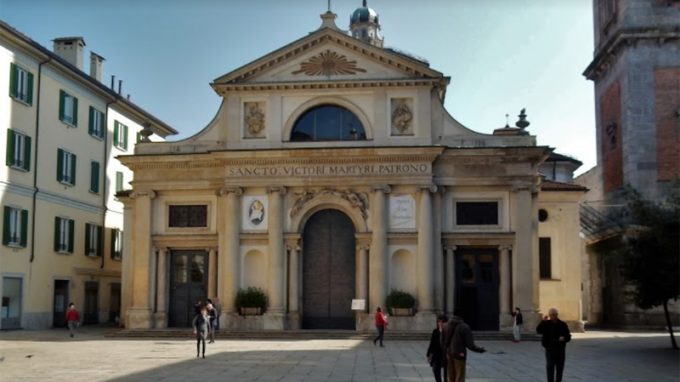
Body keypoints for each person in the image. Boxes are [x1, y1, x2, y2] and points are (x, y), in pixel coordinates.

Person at [442, 309, 486, 382]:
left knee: (450, 377)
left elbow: (441, 341)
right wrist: (480, 350)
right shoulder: (464, 327)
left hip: (448, 354)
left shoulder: (445, 326)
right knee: (460, 377)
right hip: (459, 355)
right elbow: (470, 345)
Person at [536, 308, 571, 382]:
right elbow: (538, 330)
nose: (553, 316)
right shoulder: (546, 324)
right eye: (551, 315)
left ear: (557, 315)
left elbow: (568, 336)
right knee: (550, 367)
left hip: (560, 350)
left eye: (554, 315)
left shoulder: (562, 324)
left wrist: (564, 338)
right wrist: (542, 321)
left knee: (560, 368)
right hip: (550, 349)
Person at [427, 315, 448, 382]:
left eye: (442, 322)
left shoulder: (448, 331)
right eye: (439, 322)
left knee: (446, 372)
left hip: (445, 354)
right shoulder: (435, 331)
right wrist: (428, 354)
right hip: (436, 354)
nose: (440, 323)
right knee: (435, 370)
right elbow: (432, 343)